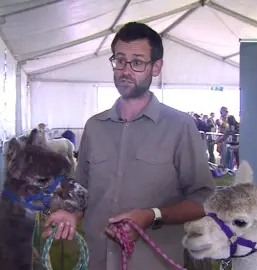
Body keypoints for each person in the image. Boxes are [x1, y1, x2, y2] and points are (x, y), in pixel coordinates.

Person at [42, 22, 215, 270]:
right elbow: (83, 190)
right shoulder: (95, 126)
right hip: (97, 260)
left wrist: (152, 215)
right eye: (120, 60)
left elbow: (204, 198)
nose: (125, 70)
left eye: (137, 62)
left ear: (156, 67)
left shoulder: (180, 126)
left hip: (152, 262)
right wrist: (70, 213)